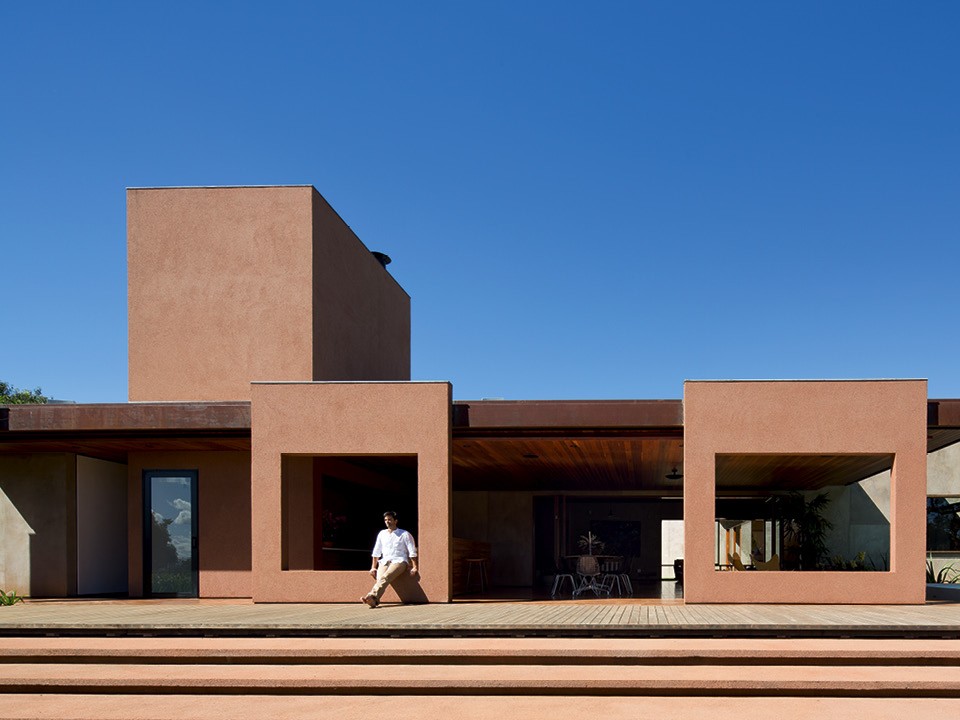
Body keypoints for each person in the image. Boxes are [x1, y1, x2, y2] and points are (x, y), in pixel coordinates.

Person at [361, 511, 418, 608]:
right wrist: (373, 567)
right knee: (380, 579)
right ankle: (374, 601)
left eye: (390, 519)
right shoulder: (382, 534)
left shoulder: (404, 534)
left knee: (386, 576)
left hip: (399, 561)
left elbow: (412, 550)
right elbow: (376, 551)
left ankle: (371, 595)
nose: (387, 522)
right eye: (386, 520)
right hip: (384, 561)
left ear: (396, 521)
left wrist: (414, 566)